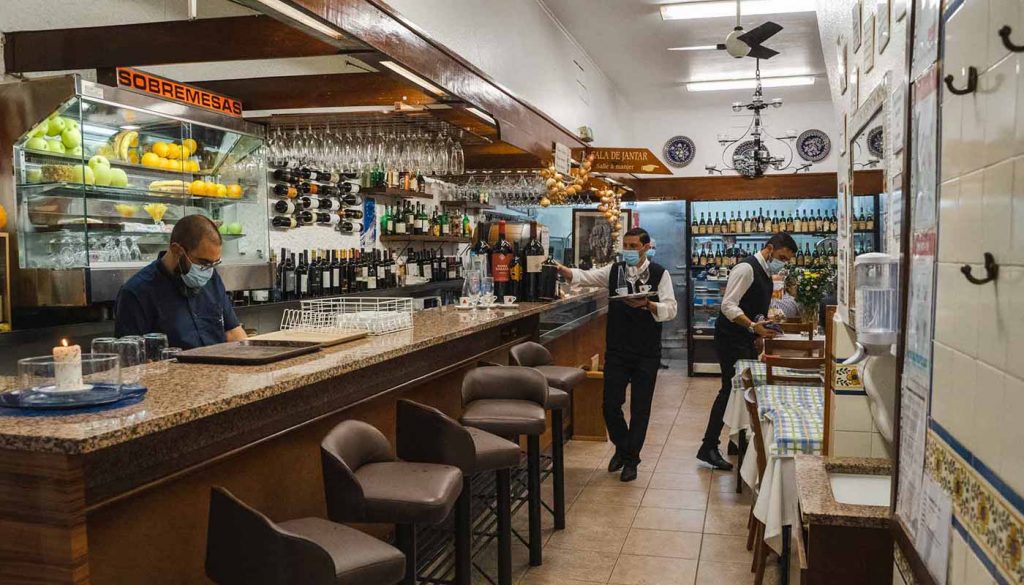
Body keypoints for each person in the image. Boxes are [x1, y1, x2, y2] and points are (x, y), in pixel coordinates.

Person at [556, 227, 677, 482]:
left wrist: (649, 304)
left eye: (633, 246)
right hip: (618, 349)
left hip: (647, 351)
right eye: (626, 246)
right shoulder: (614, 271)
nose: (629, 251)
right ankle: (624, 448)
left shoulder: (660, 273)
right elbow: (586, 277)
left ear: (646, 247)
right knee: (610, 405)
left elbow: (671, 309)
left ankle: (631, 460)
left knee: (640, 408)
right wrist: (566, 272)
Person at [697, 232, 797, 470]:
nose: (783, 262)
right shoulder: (746, 269)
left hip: (745, 337)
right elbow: (728, 305)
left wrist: (761, 327)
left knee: (744, 391)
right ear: (769, 248)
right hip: (730, 338)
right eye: (782, 257)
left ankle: (737, 441)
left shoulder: (765, 271)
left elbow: (755, 305)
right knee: (729, 390)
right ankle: (708, 446)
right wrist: (753, 326)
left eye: (787, 260)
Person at [115, 214, 247, 349]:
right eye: (203, 262)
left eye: (214, 263)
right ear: (177, 250)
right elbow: (131, 357)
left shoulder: (211, 278)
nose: (208, 270)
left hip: (219, 366)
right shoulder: (136, 292)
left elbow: (232, 332)